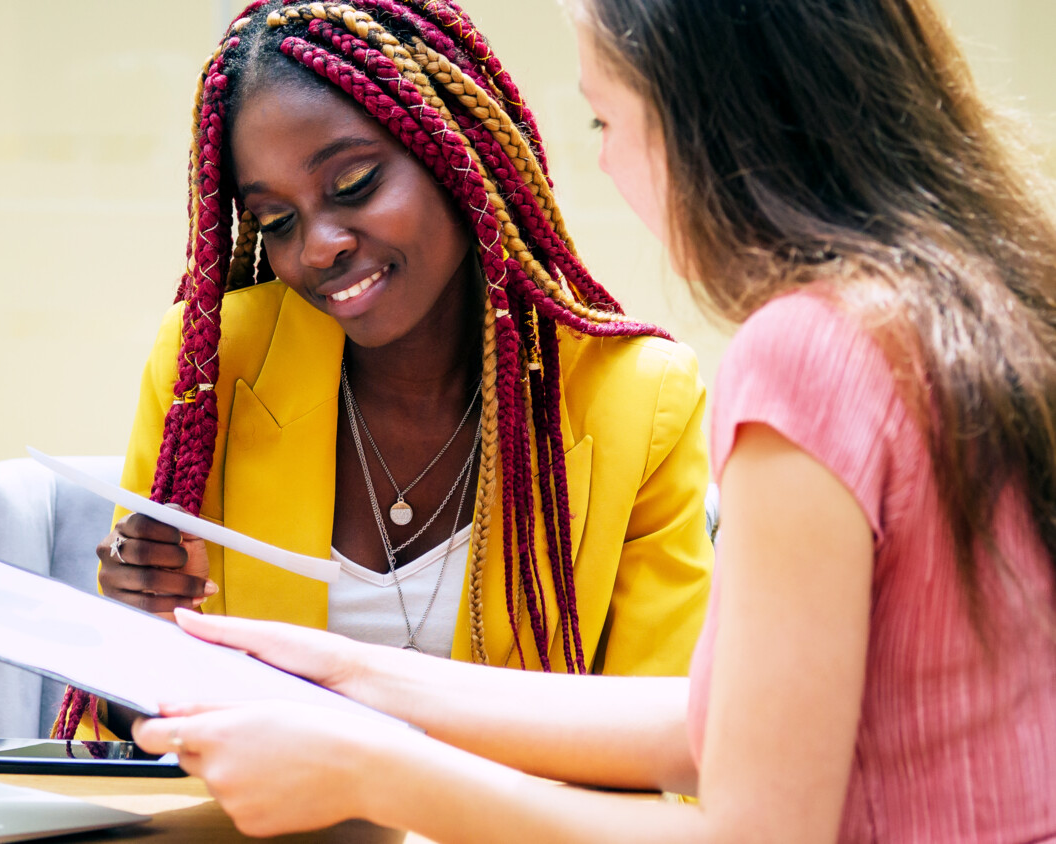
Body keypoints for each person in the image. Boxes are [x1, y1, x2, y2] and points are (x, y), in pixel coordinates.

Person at [131, 0, 1056, 840]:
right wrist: (352, 677)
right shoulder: (970, 311)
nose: (603, 158)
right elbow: (712, 721)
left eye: (607, 117)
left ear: (709, 123)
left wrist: (368, 770)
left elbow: (753, 834)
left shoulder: (806, 354)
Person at [53, 0, 717, 740]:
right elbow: (120, 742)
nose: (317, 248)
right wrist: (131, 645)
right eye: (276, 221)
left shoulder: (638, 399)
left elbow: (675, 748)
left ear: (455, 152)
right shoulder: (212, 364)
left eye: (355, 183)